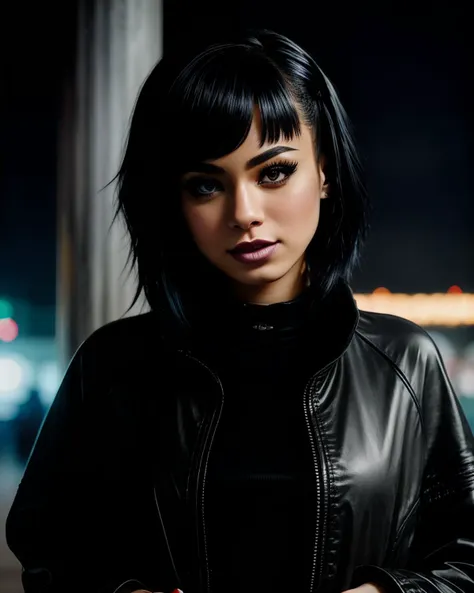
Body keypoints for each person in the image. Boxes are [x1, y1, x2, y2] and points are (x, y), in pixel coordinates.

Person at [5, 29, 474, 593]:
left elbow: (465, 556)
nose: (244, 212)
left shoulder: (405, 362)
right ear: (173, 201)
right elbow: (50, 551)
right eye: (205, 185)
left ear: (323, 169)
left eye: (273, 171)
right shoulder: (113, 366)